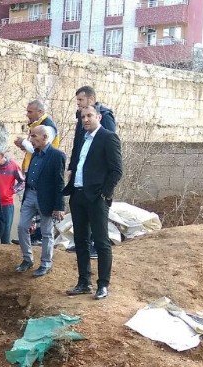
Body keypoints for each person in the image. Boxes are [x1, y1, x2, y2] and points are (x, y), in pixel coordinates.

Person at [64, 105, 122, 300]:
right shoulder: (82, 138)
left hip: (97, 197)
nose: (86, 119)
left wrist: (104, 195)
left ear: (98, 116)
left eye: (89, 115)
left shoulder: (108, 137)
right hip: (78, 195)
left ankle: (103, 285)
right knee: (80, 240)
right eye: (83, 117)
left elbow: (116, 170)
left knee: (101, 241)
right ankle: (83, 282)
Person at [69, 86, 117, 259]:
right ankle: (85, 247)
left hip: (97, 181)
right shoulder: (81, 118)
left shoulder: (106, 117)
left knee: (99, 229)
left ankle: (97, 247)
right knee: (81, 229)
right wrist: (73, 169)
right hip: (81, 181)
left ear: (90, 100)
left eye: (81, 100)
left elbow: (111, 150)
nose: (79, 104)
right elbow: (79, 145)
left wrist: (105, 192)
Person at [15, 126, 67, 278]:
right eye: (31, 136)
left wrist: (59, 206)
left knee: (46, 232)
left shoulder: (57, 155)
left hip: (46, 199)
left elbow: (59, 182)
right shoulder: (35, 154)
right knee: (22, 227)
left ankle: (45, 264)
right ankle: (27, 259)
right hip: (30, 194)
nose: (31, 139)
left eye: (34, 136)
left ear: (45, 137)